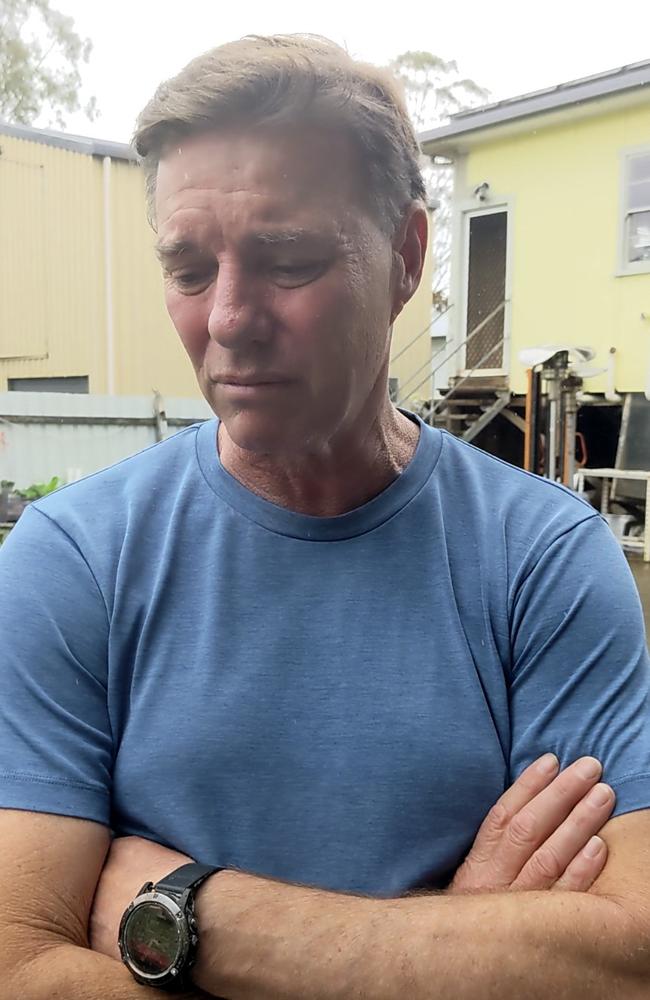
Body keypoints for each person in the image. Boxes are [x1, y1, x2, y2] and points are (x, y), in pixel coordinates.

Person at [0, 34, 649, 1000]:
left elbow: (625, 954)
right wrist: (467, 944)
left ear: (406, 256)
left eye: (288, 258)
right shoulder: (75, 563)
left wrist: (187, 913)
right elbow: (19, 959)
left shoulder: (542, 560)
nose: (226, 316)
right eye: (187, 269)